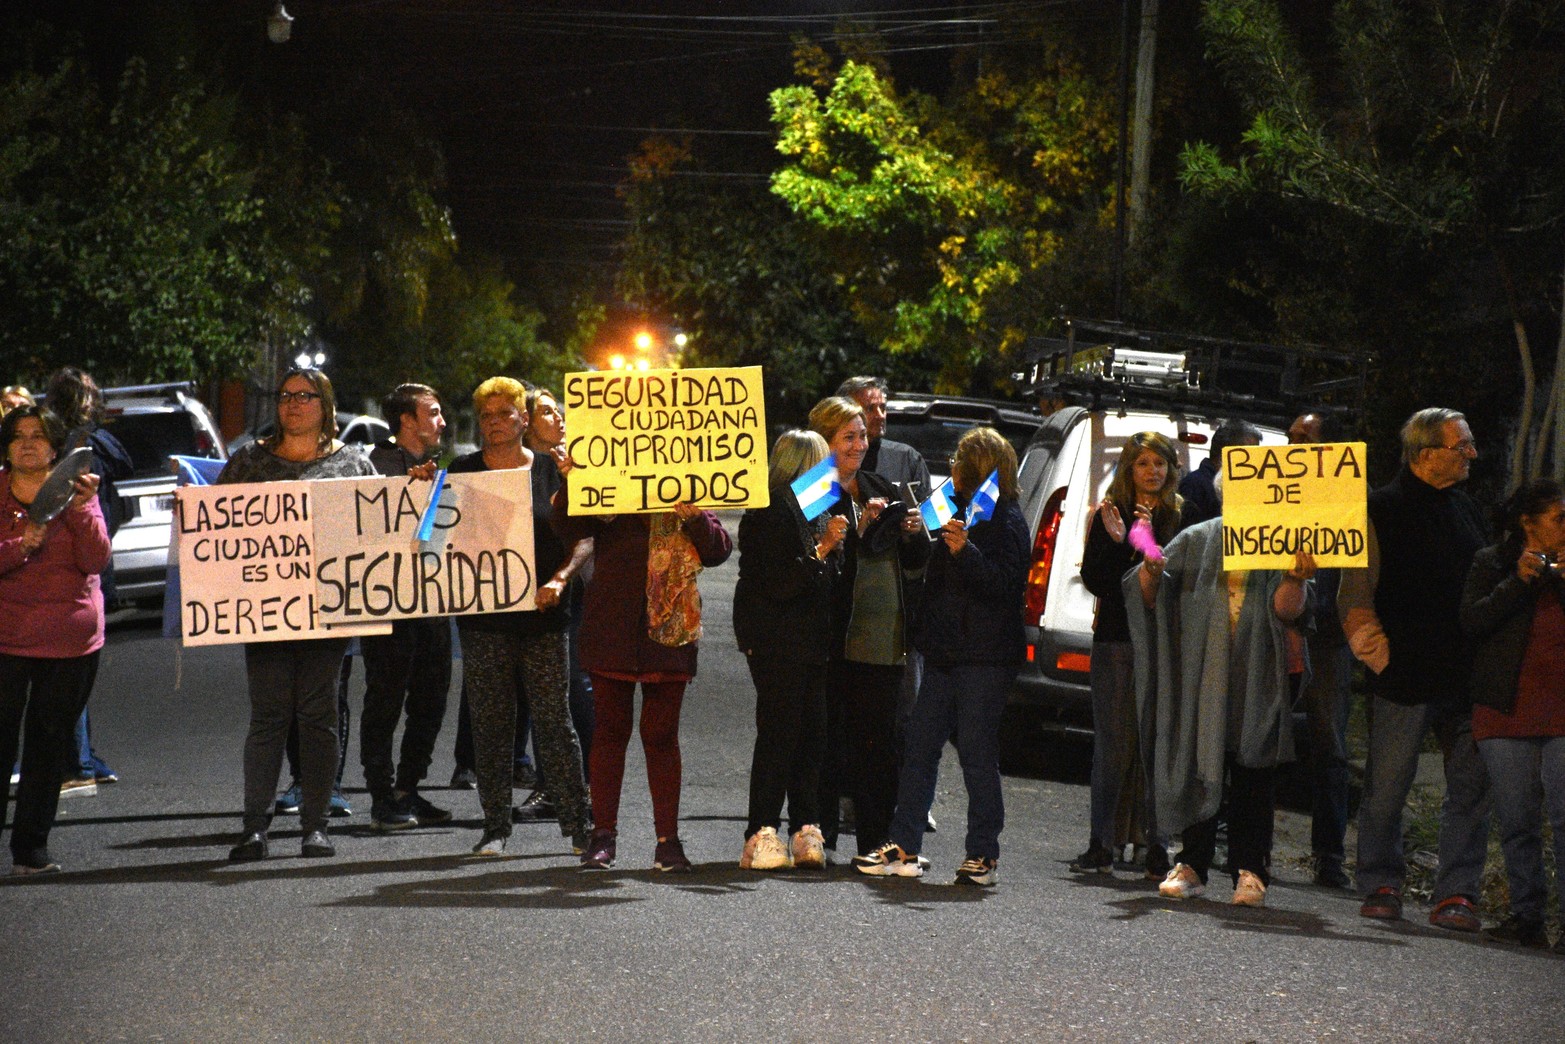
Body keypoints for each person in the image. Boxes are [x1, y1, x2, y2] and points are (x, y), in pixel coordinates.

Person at [853, 427, 1030, 886]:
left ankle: (983, 854)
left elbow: (1004, 586)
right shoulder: (953, 508)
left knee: (976, 756)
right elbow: (928, 569)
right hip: (945, 653)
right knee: (919, 749)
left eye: (958, 460)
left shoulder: (1006, 519)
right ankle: (904, 845)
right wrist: (916, 535)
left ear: (975, 469)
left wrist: (965, 551)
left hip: (984, 660)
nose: (951, 466)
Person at [1340, 407, 1491, 928]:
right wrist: (1376, 653)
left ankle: (1457, 892)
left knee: (1470, 789)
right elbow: (1355, 591)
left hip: (1465, 675)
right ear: (1426, 455)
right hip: (1405, 674)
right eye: (1461, 445)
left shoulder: (1467, 510)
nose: (1472, 453)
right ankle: (1380, 879)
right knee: (1387, 784)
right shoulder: (1379, 509)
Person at [221, 368, 378, 862]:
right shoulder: (249, 461)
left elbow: (383, 523)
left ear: (325, 405)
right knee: (268, 717)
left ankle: (316, 827)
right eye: (286, 396)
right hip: (265, 612)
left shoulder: (353, 463)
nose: (292, 404)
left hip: (328, 611)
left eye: (304, 396)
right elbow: (210, 523)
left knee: (318, 717)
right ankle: (254, 828)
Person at [1131, 498, 1316, 908]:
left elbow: (1289, 612)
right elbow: (1148, 593)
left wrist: (1297, 578)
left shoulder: (1283, 539)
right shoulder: (1199, 539)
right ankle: (1193, 865)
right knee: (1201, 763)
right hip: (1204, 678)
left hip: (1258, 675)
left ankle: (1251, 871)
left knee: (1254, 768)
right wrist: (1148, 564)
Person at [553, 463, 732, 873]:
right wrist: (572, 482)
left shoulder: (689, 480)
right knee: (610, 731)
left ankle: (667, 841)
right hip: (613, 623)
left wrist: (695, 515)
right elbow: (566, 527)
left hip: (670, 627)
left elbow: (718, 550)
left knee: (661, 734)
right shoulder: (609, 477)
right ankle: (603, 836)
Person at [451, 377, 592, 857]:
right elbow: (430, 535)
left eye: (504, 414)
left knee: (555, 723)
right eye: (486, 416)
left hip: (544, 618)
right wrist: (421, 493)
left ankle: (578, 826)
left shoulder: (553, 472)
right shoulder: (461, 471)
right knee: (491, 724)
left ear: (523, 420)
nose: (494, 423)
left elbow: (585, 537)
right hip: (484, 620)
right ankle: (495, 827)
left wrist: (560, 579)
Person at [809, 395, 929, 859]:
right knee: (831, 740)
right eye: (848, 437)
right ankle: (820, 837)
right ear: (825, 441)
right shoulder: (815, 489)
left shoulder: (880, 483)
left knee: (880, 745)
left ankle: (877, 840)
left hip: (883, 642)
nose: (860, 444)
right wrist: (859, 536)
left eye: (862, 435)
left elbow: (916, 561)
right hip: (835, 639)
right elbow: (820, 565)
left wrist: (914, 533)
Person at [0, 404, 109, 873]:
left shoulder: (76, 491)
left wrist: (84, 509)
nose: (29, 442)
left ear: (56, 446)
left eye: (40, 435)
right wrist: (20, 544)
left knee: (47, 747)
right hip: (6, 639)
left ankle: (30, 849)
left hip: (69, 641)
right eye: (19, 434)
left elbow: (96, 560)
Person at [1459, 478, 1565, 951]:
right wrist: (1517, 582)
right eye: (1560, 519)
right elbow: (1472, 621)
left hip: (1561, 711)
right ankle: (1527, 916)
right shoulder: (1493, 561)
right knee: (1518, 820)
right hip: (1506, 709)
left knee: (1564, 819)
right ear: (1528, 521)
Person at [1070, 431, 1182, 879]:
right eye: (1143, 463)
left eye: (1160, 463)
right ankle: (1101, 843)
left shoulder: (1180, 517)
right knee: (1112, 745)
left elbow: (1177, 579)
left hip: (1163, 643)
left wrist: (1145, 540)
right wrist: (1122, 543)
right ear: (1129, 470)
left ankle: (1159, 846)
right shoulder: (1108, 514)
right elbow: (1099, 581)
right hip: (1116, 641)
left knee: (1158, 746)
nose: (1153, 471)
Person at [734, 429, 847, 871]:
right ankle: (760, 832)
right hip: (776, 637)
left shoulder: (816, 505)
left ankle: (805, 828)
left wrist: (832, 546)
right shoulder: (771, 506)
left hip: (813, 639)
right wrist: (822, 549)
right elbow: (778, 581)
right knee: (780, 732)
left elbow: (828, 577)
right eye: (823, 461)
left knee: (812, 735)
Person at [837, 376, 936, 831]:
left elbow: (927, 527)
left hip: (896, 613)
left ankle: (889, 803)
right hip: (845, 614)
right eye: (866, 411)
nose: (877, 418)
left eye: (880, 409)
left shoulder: (904, 459)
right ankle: (839, 801)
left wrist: (913, 526)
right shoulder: (828, 473)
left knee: (898, 714)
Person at [357, 383, 455, 832]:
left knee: (430, 699)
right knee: (385, 700)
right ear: (407, 420)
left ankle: (408, 787)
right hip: (389, 609)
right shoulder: (376, 464)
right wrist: (404, 491)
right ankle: (381, 796)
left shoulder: (435, 467)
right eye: (432, 413)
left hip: (433, 605)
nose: (442, 422)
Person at [509, 384, 596, 825]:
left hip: (575, 587)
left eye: (559, 410)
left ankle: (582, 785)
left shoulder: (580, 461)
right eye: (546, 411)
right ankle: (552, 784)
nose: (558, 417)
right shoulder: (515, 469)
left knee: (577, 687)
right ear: (525, 422)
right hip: (526, 589)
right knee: (545, 689)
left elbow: (594, 525)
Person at [44, 367, 132, 794]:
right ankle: (80, 759)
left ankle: (78, 760)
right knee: (73, 667)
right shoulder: (85, 444)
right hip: (80, 565)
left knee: (71, 670)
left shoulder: (73, 445)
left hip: (78, 563)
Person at [1287, 410, 1354, 888]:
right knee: (1252, 731)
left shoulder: (1350, 503)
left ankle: (1329, 855)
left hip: (1327, 639)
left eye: (1303, 438)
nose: (1292, 445)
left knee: (1329, 747)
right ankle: (1239, 841)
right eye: (1290, 437)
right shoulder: (1272, 495)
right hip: (1275, 629)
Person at [1178, 418, 1260, 528]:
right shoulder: (1195, 485)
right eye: (1249, 454)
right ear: (1227, 453)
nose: (1254, 461)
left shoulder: (1242, 489)